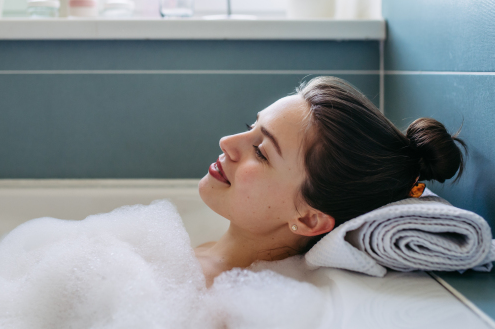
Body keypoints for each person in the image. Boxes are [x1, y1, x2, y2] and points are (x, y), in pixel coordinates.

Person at [195, 76, 466, 287]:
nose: (226, 142)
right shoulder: (189, 264)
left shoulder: (214, 297)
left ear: (309, 219)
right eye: (249, 128)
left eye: (260, 152)